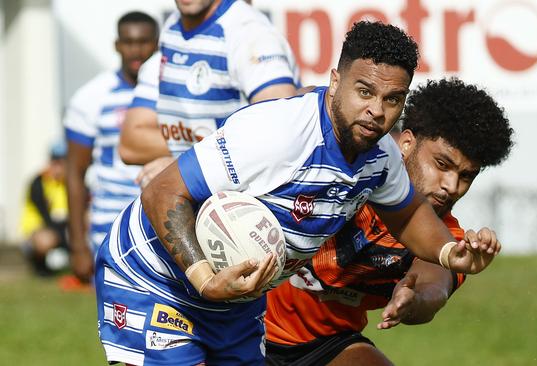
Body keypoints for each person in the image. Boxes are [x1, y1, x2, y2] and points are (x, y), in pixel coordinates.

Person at [94, 21, 499, 365]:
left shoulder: (380, 159)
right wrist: (205, 280)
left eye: (392, 100)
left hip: (235, 304)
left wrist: (450, 253)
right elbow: (161, 192)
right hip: (154, 280)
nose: (377, 110)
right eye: (364, 92)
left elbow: (408, 215)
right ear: (335, 81)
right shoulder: (279, 132)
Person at [264, 78, 515, 366]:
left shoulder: (446, 238)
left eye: (466, 176)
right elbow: (306, 104)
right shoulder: (348, 167)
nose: (451, 186)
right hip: (245, 319)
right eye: (442, 165)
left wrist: (413, 302)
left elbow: (434, 286)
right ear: (407, 143)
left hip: (326, 346)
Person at [118, 0, 301, 188]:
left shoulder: (249, 31)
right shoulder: (173, 26)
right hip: (209, 192)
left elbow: (280, 133)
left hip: (253, 199)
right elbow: (130, 145)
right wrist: (187, 164)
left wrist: (186, 169)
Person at [64, 11, 159, 282]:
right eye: (128, 42)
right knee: (114, 320)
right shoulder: (92, 96)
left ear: (157, 43)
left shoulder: (171, 93)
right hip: (110, 227)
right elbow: (75, 172)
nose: (136, 50)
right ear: (117, 45)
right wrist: (78, 245)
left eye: (144, 42)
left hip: (162, 226)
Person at [20, 141, 69, 276]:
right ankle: (40, 268)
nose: (59, 165)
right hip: (39, 230)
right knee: (46, 239)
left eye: (63, 161)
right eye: (56, 161)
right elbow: (46, 218)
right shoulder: (38, 182)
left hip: (61, 228)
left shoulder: (69, 182)